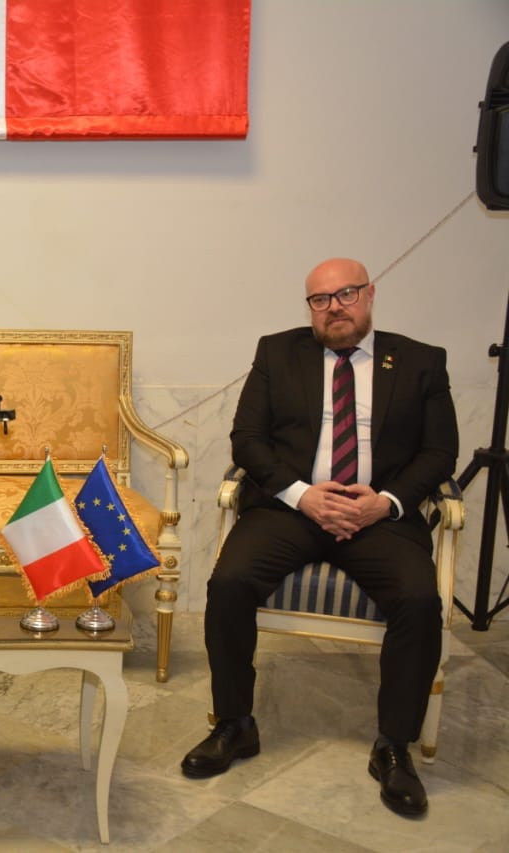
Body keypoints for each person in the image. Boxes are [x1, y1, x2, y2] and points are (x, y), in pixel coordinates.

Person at [181, 258, 458, 817]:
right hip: (292, 509)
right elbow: (247, 438)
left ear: (369, 294)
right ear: (309, 306)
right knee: (229, 583)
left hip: (378, 516)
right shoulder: (276, 352)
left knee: (418, 600)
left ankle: (393, 747)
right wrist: (302, 495)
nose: (334, 307)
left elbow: (439, 451)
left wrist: (385, 502)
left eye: (346, 294)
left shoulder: (421, 361)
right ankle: (235, 724)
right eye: (320, 299)